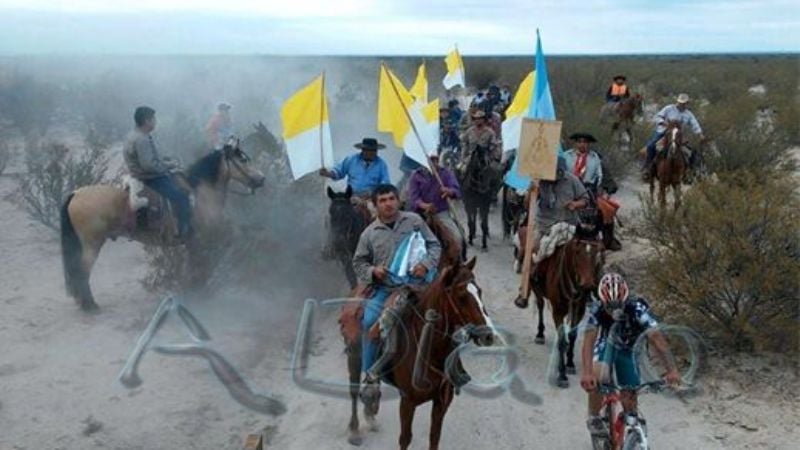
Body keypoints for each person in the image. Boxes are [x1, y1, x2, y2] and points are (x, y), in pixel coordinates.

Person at [352, 184, 442, 399]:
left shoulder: (414, 221)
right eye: (382, 200)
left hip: (417, 285)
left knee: (445, 316)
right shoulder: (369, 234)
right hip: (386, 289)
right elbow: (358, 262)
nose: (388, 203)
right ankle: (370, 377)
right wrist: (374, 271)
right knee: (369, 323)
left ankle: (453, 367)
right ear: (375, 205)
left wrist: (426, 265)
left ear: (398, 200)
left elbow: (434, 245)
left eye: (391, 198)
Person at [580, 273, 681, 440]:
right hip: (607, 345)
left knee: (630, 399)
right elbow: (589, 342)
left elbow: (656, 338)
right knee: (598, 376)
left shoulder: (637, 308)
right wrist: (587, 372)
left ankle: (630, 431)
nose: (614, 312)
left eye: (619, 307)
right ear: (602, 302)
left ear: (626, 300)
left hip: (629, 349)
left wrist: (672, 369)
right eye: (609, 308)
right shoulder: (596, 309)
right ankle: (594, 417)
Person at [514, 156, 589, 308]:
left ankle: (590, 288)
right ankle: (525, 291)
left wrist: (575, 204)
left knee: (587, 253)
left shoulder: (572, 180)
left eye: (557, 172)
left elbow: (585, 199)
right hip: (544, 225)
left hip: (568, 224)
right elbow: (528, 204)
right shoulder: (539, 181)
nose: (554, 175)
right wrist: (532, 190)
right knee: (531, 250)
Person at [123, 106, 192, 239]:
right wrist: (166, 168)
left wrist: (165, 163)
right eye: (154, 119)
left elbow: (150, 160)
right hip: (150, 178)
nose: (155, 121)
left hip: (138, 173)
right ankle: (184, 231)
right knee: (182, 197)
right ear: (147, 121)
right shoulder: (142, 139)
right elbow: (148, 165)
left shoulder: (133, 135)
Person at [642, 93, 705, 179]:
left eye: (684, 103)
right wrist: (663, 122)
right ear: (677, 102)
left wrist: (700, 134)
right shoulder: (669, 108)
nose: (682, 105)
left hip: (678, 134)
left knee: (692, 150)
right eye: (680, 103)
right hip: (664, 131)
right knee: (651, 146)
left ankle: (689, 171)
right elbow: (658, 116)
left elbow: (695, 124)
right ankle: (647, 168)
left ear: (687, 103)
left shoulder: (688, 114)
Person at [406, 150, 463, 241]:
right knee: (408, 238)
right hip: (420, 214)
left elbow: (457, 191)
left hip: (441, 213)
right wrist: (425, 206)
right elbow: (414, 198)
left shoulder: (446, 173)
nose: (434, 163)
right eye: (431, 160)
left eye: (435, 160)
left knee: (458, 237)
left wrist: (449, 191)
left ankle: (461, 255)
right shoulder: (416, 176)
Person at [319, 137, 391, 199]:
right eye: (368, 150)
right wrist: (328, 174)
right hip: (351, 195)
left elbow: (385, 183)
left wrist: (374, 193)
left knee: (374, 212)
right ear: (363, 150)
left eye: (373, 150)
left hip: (371, 197)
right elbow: (339, 172)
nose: (371, 152)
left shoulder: (381, 164)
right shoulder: (351, 160)